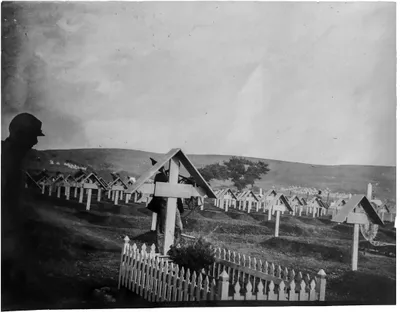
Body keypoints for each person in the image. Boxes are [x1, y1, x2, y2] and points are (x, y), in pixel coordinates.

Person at [1, 112, 45, 305]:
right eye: (33, 135)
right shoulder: (6, 159)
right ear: (20, 133)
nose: (35, 141)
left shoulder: (15, 158)